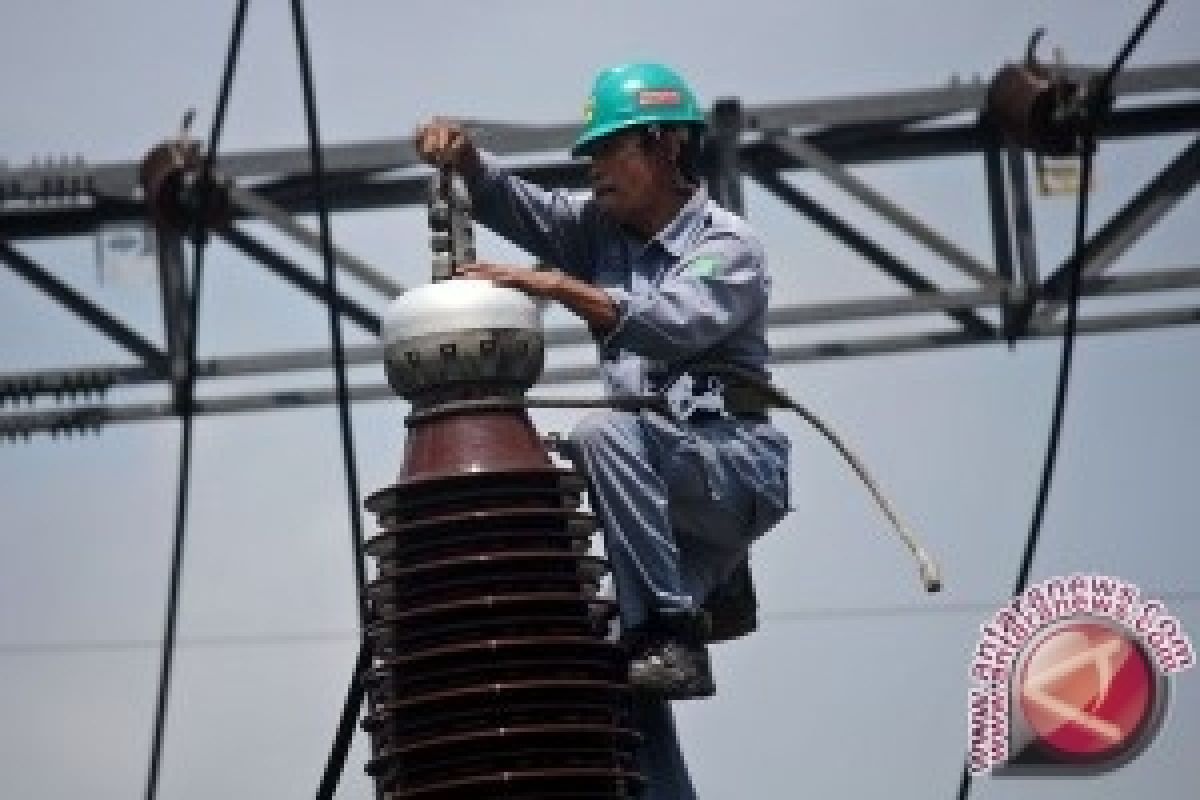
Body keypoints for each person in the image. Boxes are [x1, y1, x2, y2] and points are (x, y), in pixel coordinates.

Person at [415, 62, 790, 702]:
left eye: (610, 148)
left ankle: (676, 632)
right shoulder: (601, 232)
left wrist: (553, 285)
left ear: (667, 143)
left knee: (603, 434)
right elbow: (521, 207)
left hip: (732, 470)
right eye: (591, 151)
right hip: (664, 489)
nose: (594, 167)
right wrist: (469, 161)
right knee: (602, 662)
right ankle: (692, 610)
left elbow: (670, 325)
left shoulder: (728, 247)